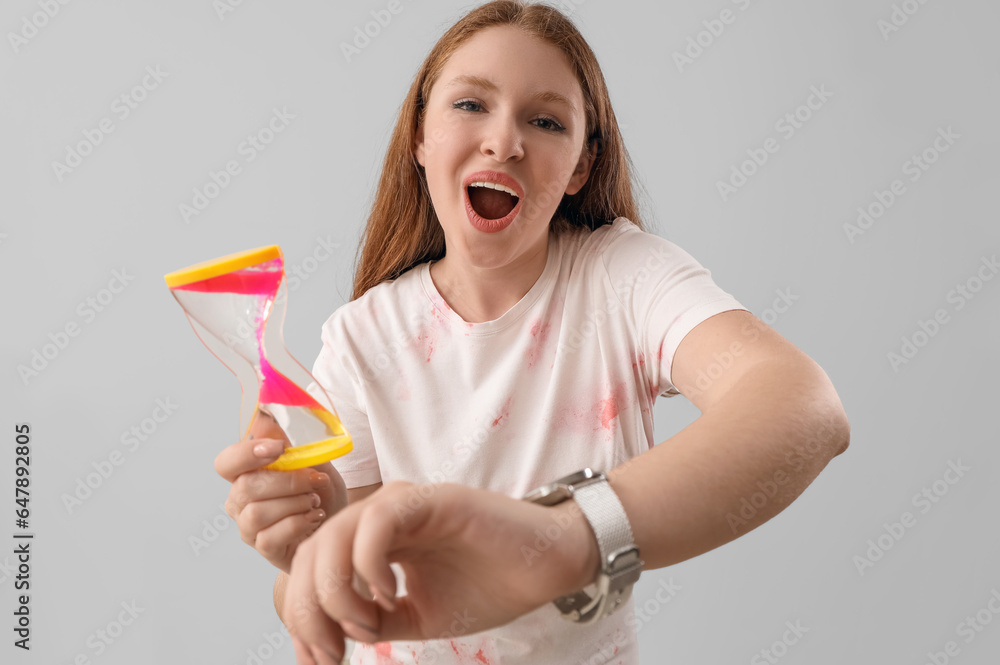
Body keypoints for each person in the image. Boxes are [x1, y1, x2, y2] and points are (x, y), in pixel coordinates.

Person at [214, 2, 851, 664]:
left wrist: (564, 540)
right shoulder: (362, 335)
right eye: (469, 106)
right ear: (420, 138)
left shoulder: (620, 278)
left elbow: (803, 407)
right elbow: (323, 596)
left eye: (546, 121)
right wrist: (307, 552)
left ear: (580, 165)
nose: (504, 141)